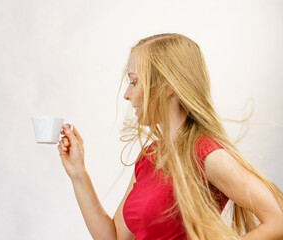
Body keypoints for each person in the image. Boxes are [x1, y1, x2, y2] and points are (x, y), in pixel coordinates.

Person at [57, 33, 283, 240]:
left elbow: (277, 221)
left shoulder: (205, 153)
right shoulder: (150, 156)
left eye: (135, 82)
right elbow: (114, 238)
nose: (127, 94)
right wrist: (78, 173)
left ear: (168, 86)